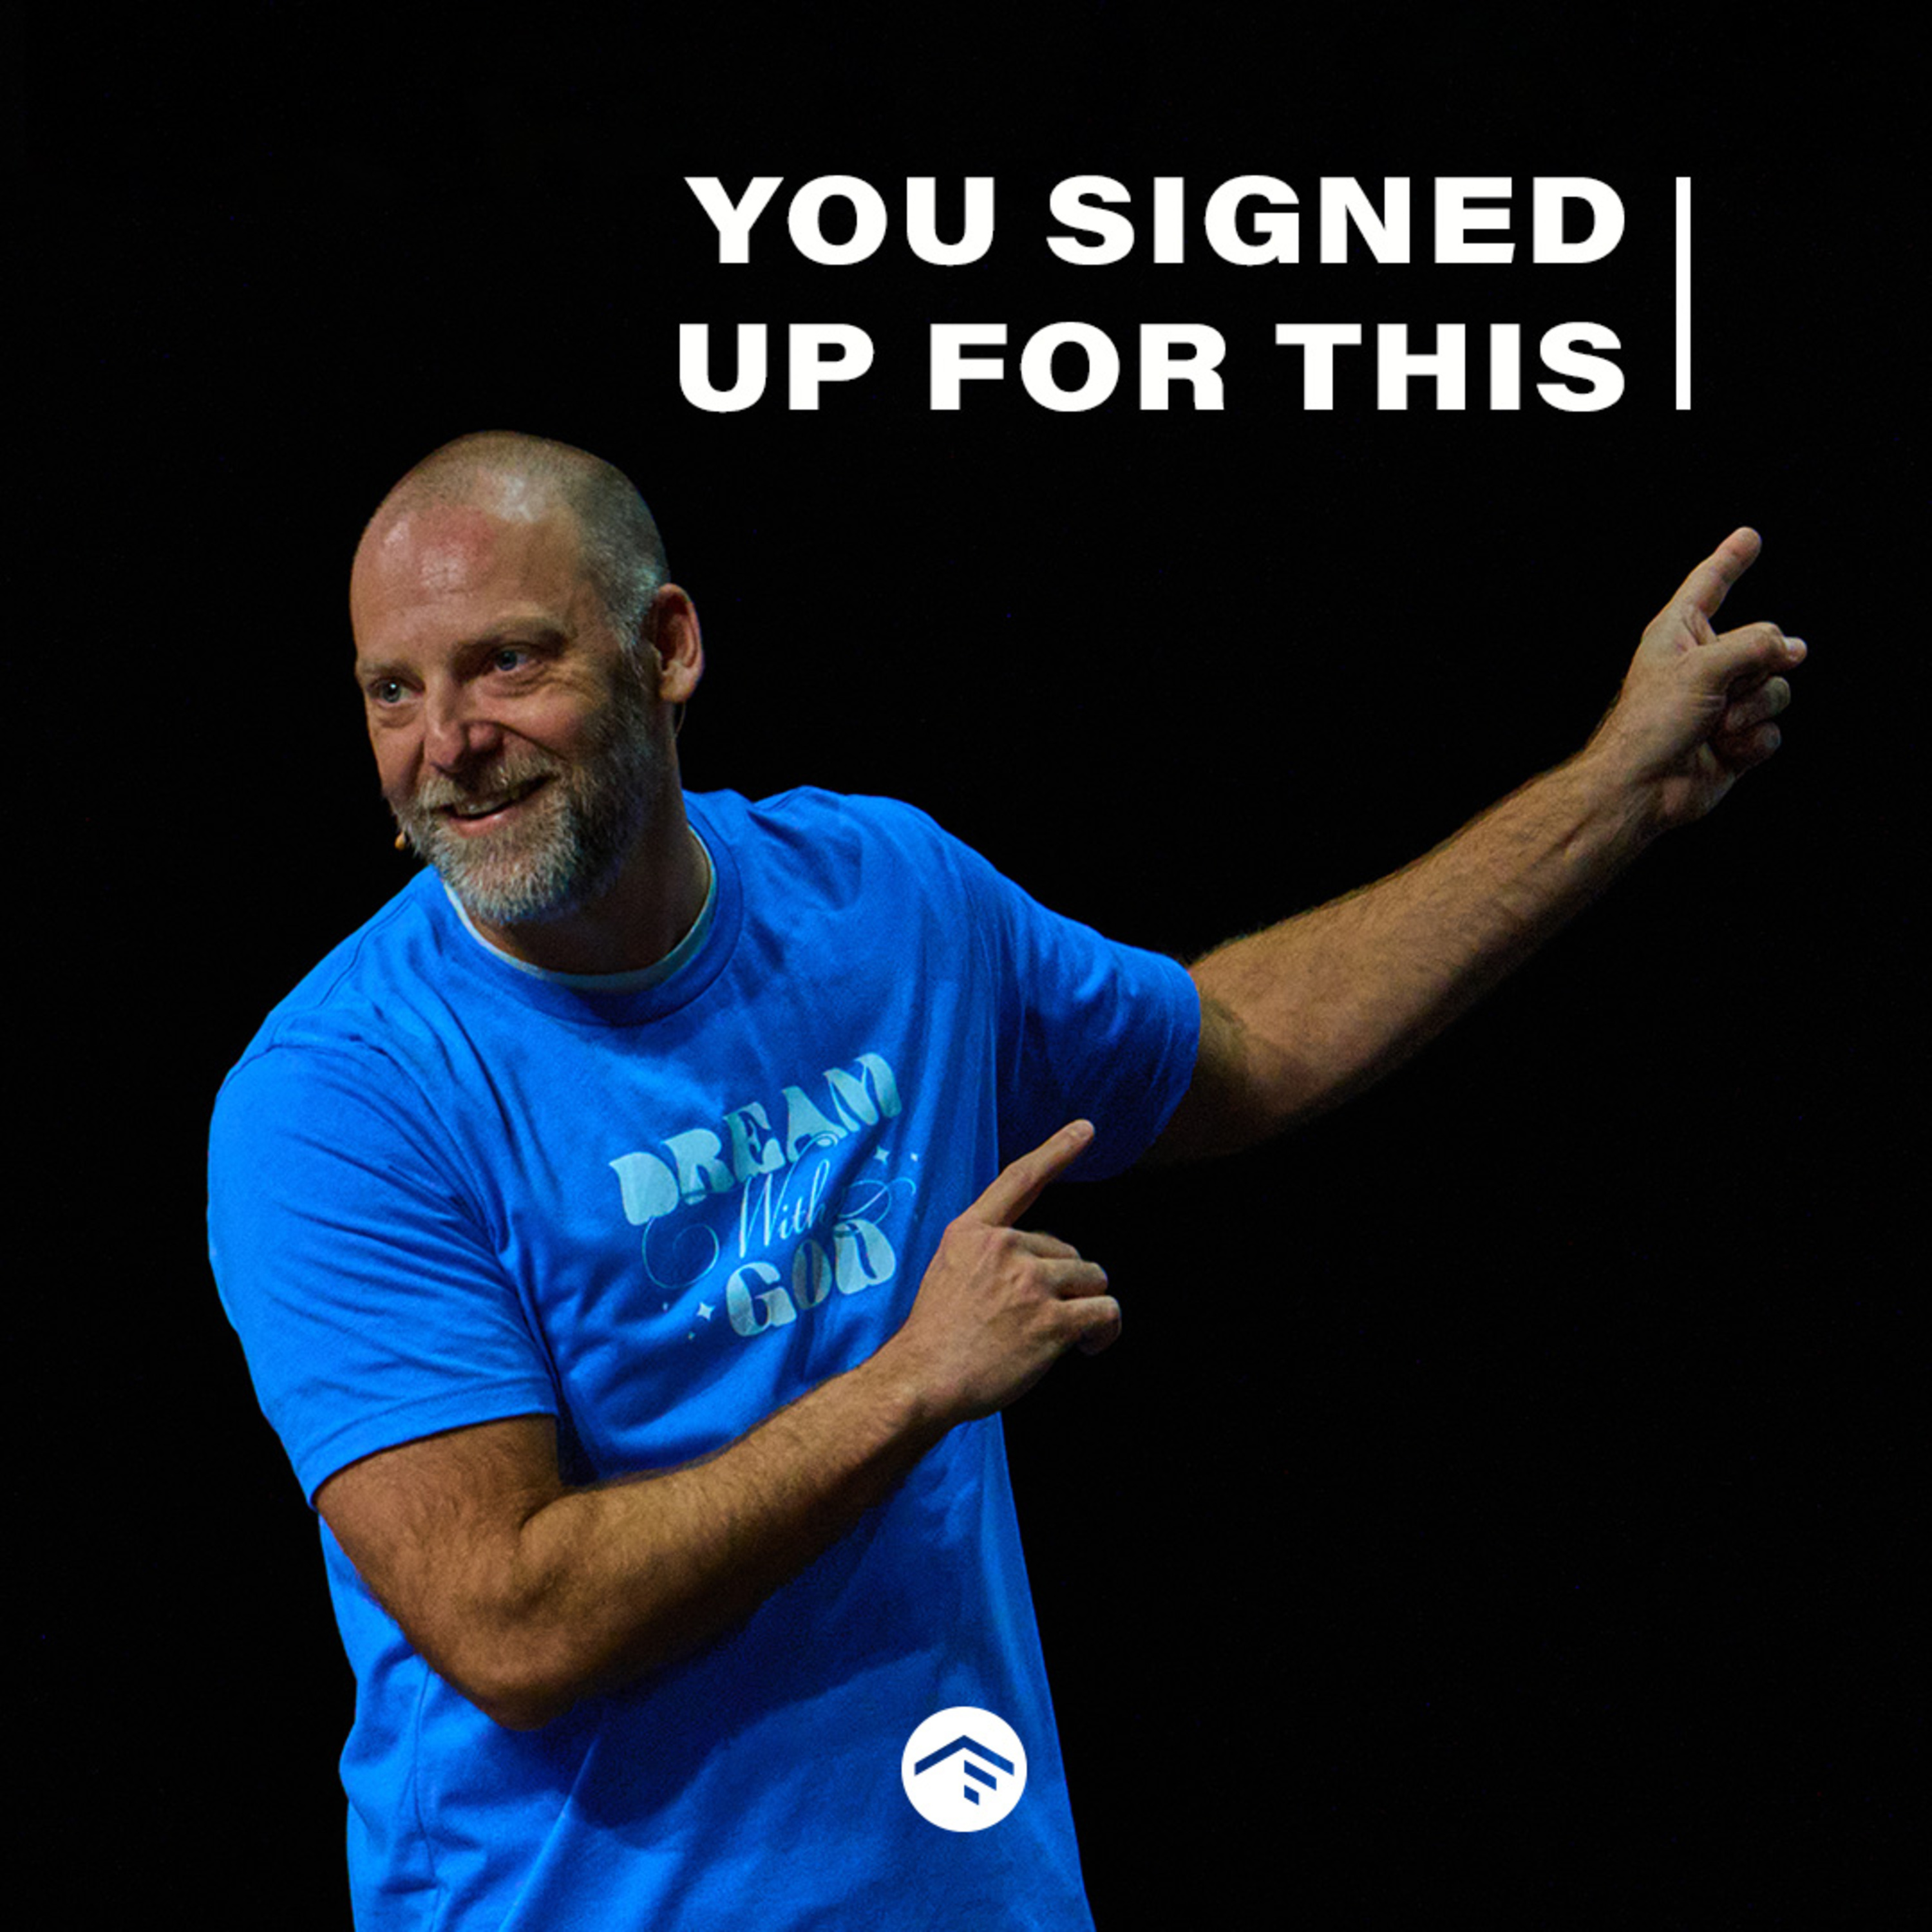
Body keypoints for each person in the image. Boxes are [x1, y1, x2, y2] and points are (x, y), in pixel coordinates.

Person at [207, 431, 1804, 1931]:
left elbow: (1244, 1046)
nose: (447, 746)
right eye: (393, 691)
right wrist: (914, 1383)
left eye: (508, 662)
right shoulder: (340, 1101)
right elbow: (512, 1621)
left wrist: (1618, 788)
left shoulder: (885, 899)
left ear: (669, 646)